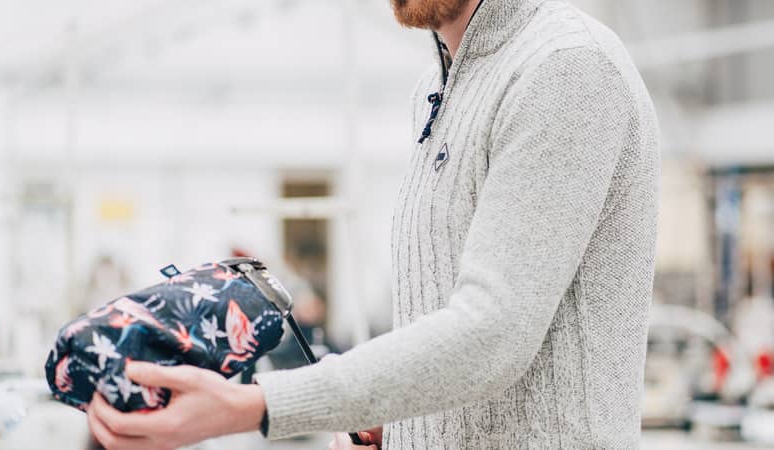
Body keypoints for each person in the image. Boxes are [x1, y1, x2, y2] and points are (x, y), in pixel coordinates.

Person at [86, 0, 660, 448]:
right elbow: (452, 342)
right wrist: (406, 425)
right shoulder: (436, 90)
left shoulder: (565, 68)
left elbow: (492, 335)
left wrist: (255, 403)